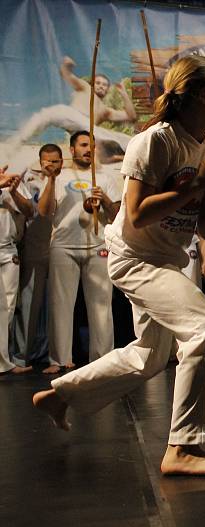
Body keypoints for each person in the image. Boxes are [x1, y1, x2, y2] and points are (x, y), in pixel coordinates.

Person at [33, 55, 205, 476]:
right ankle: (181, 450)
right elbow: (137, 214)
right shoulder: (155, 141)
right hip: (135, 259)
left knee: (149, 357)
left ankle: (60, 396)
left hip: (168, 257)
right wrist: (198, 186)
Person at [39, 131, 121, 374]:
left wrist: (104, 199)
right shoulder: (58, 175)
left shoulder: (104, 178)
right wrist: (51, 180)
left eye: (92, 146)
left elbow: (116, 215)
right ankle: (59, 358)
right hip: (64, 246)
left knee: (101, 305)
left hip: (97, 246)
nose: (89, 149)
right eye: (84, 145)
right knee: (61, 305)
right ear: (72, 149)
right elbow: (44, 211)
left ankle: (103, 357)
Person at [4, 57, 137, 164]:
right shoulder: (85, 88)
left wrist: (124, 93)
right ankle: (18, 141)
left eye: (105, 85)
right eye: (98, 83)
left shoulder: (105, 111)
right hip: (72, 115)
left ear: (107, 90)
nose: (101, 86)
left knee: (121, 139)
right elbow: (66, 74)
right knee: (49, 113)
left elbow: (131, 117)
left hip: (87, 130)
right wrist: (66, 66)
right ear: (92, 84)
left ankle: (135, 153)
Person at [12, 145, 61, 364]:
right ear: (40, 161)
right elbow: (42, 210)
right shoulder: (31, 180)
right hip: (35, 249)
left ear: (62, 161)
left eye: (55, 161)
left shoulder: (71, 178)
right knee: (28, 305)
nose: (50, 165)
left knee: (58, 306)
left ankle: (55, 355)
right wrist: (50, 180)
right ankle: (20, 356)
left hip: (63, 248)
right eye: (46, 161)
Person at [0, 165, 33, 375]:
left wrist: (12, 191)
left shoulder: (11, 181)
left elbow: (30, 211)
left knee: (8, 308)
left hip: (7, 250)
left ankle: (4, 361)